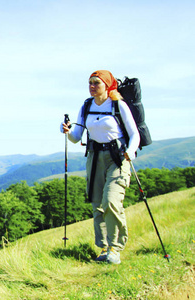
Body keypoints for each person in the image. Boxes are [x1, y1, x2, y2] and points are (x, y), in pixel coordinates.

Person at [61, 70, 140, 264]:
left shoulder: (118, 105)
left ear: (107, 85)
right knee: (97, 204)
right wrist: (67, 132)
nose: (92, 86)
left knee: (111, 201)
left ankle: (115, 248)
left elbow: (135, 134)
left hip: (117, 158)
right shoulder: (86, 106)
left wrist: (130, 151)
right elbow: (76, 137)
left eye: (96, 83)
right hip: (94, 157)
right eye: (90, 83)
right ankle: (104, 247)